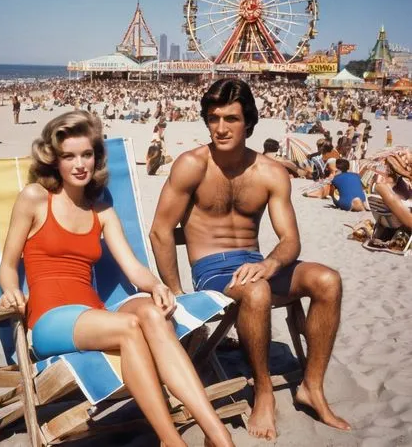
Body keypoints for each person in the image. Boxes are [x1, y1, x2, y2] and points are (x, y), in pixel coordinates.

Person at [0, 110, 234, 447]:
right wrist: (9, 290)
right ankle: (173, 441)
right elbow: (8, 265)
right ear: (54, 161)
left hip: (93, 315)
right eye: (69, 156)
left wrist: (155, 285)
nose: (80, 164)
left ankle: (219, 436)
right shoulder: (36, 198)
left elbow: (132, 266)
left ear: (96, 156)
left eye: (86, 154)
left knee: (152, 313)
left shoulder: (101, 208)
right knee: (129, 327)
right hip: (50, 319)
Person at [150, 78, 351, 441]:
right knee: (256, 292)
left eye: (231, 118)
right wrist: (177, 292)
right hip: (212, 270)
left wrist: (269, 264)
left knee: (328, 280)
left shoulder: (270, 172)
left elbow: (290, 240)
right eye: (213, 119)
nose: (221, 128)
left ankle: (312, 388)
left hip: (257, 265)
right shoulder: (191, 165)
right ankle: (263, 392)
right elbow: (160, 231)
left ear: (249, 122)